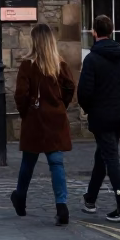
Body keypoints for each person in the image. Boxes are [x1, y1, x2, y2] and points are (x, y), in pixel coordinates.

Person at [11, 24, 77, 226]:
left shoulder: (28, 65)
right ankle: (61, 205)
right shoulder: (60, 64)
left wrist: (26, 113)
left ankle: (20, 197)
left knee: (28, 162)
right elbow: (70, 87)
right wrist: (60, 106)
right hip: (55, 119)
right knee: (56, 163)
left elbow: (20, 95)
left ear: (34, 41)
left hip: (35, 119)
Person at [77, 14, 120, 223]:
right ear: (111, 31)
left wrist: (89, 109)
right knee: (103, 155)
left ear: (94, 32)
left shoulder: (92, 59)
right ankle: (90, 199)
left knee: (111, 158)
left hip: (102, 116)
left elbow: (84, 92)